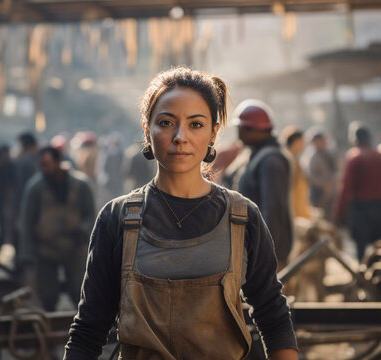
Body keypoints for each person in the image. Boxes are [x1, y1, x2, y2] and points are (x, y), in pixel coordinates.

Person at [64, 67, 298, 359]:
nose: (180, 137)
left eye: (196, 125)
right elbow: (88, 330)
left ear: (214, 132)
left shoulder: (242, 217)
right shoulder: (117, 218)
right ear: (146, 129)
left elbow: (274, 318)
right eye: (166, 122)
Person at [19, 146, 95, 311]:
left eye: (47, 164)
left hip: (75, 247)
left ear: (58, 162)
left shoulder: (81, 185)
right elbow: (26, 222)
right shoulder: (35, 188)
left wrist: (82, 229)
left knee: (80, 291)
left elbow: (91, 215)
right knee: (47, 295)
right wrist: (26, 253)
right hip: (45, 250)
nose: (43, 169)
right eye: (41, 165)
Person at [233, 99, 293, 265]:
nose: (238, 134)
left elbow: (273, 209)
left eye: (240, 129)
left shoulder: (270, 160)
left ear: (253, 129)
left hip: (266, 255)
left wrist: (264, 255)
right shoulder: (257, 155)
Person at [333, 124, 381, 259]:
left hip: (361, 209)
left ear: (355, 139)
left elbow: (346, 188)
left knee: (361, 249)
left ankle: (362, 276)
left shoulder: (354, 157)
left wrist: (338, 214)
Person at [300, 129, 337, 220]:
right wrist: (324, 182)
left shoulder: (329, 153)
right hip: (319, 194)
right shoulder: (312, 156)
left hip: (331, 193)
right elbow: (310, 176)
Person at [282, 127, 311, 220]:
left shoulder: (294, 159)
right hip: (294, 212)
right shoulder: (288, 160)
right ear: (295, 142)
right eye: (302, 142)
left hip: (299, 210)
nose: (304, 145)